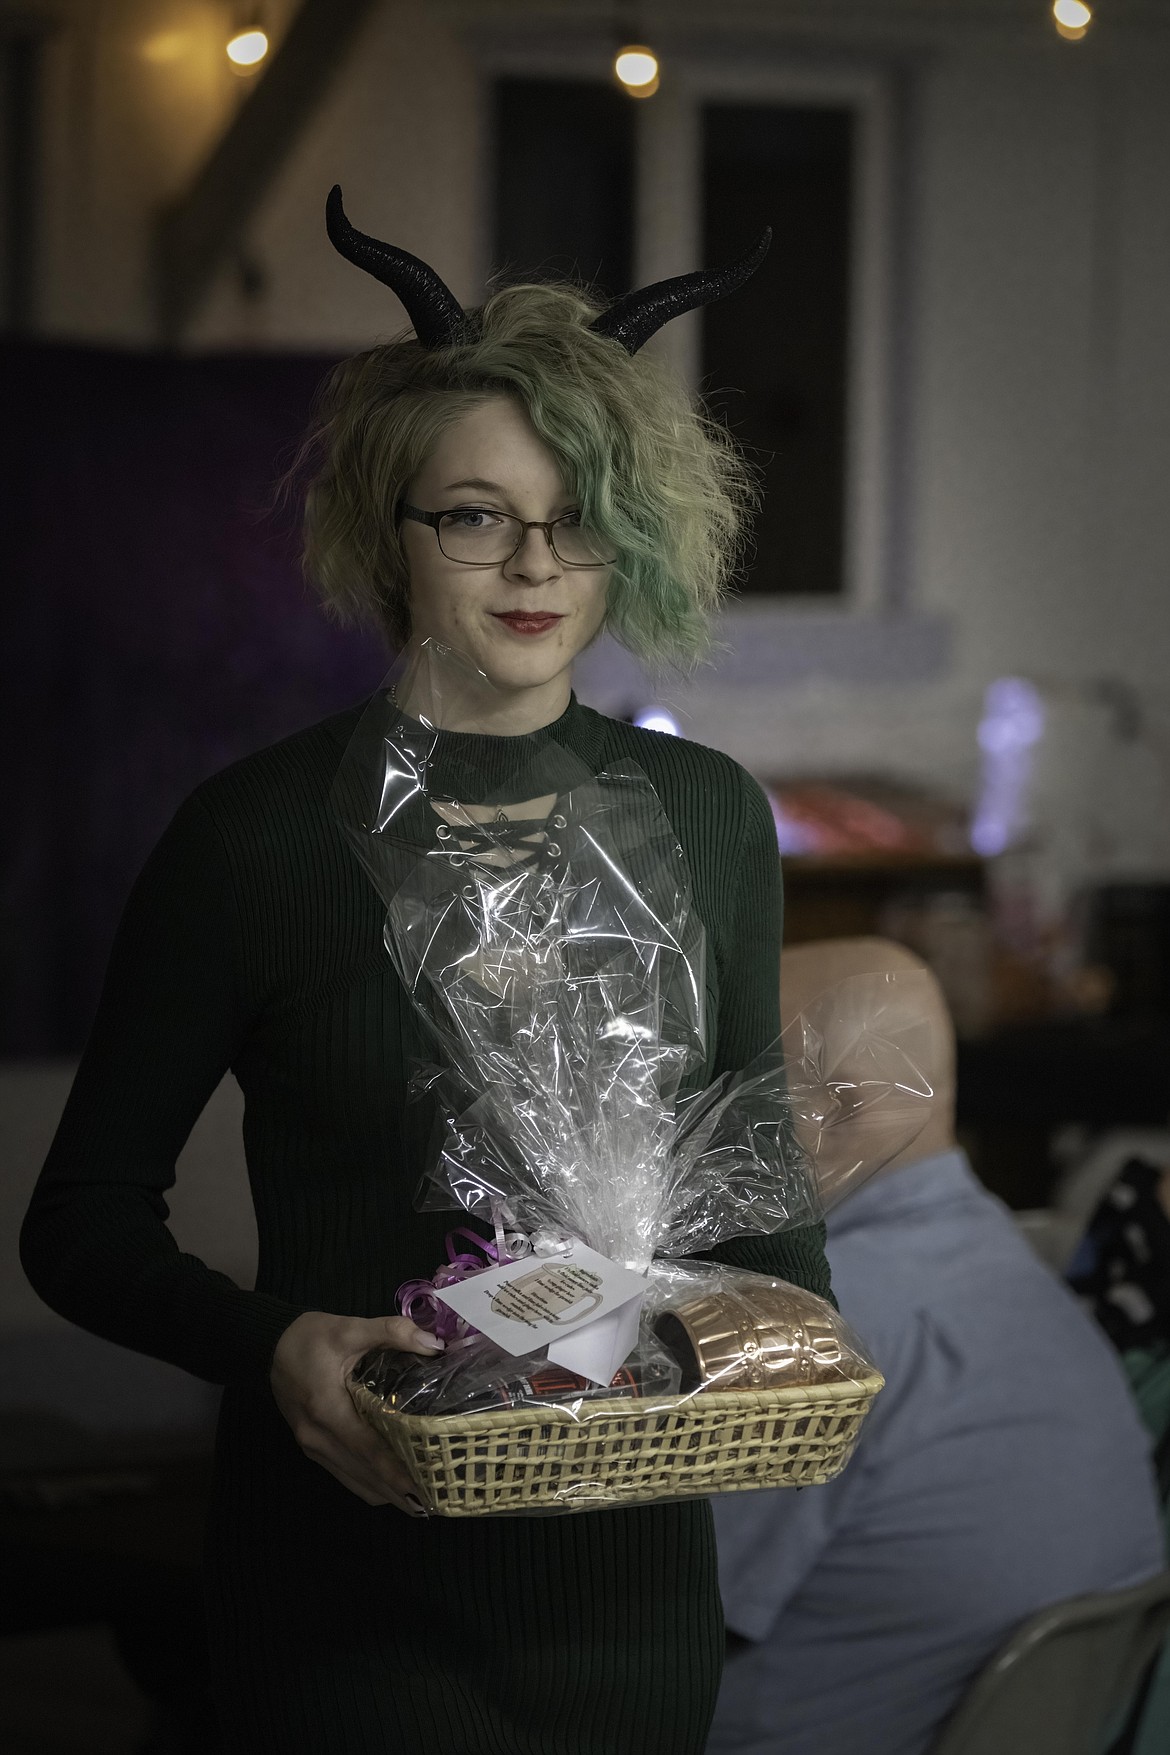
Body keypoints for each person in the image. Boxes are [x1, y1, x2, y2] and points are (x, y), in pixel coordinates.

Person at [19, 190, 827, 1755]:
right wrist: (274, 1346)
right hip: (349, 1597)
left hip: (629, 1599)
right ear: (389, 527)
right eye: (474, 513)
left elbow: (755, 1179)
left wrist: (789, 1347)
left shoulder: (709, 811)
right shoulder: (255, 836)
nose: (534, 560)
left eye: (577, 510)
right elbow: (78, 1221)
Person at [708, 936, 1165, 1755]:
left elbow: (657, 1608)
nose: (695, 1129)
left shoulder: (819, 1321)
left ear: (832, 1106)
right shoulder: (1016, 1274)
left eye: (722, 1089)